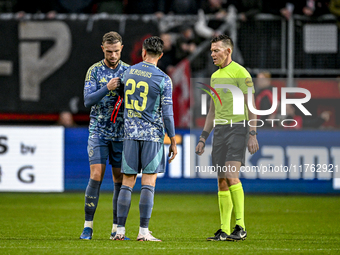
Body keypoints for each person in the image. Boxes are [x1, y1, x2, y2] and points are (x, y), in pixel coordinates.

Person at [112, 36, 177, 241]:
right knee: (148, 182)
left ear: (143, 52)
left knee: (127, 183)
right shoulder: (163, 79)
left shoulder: (127, 72)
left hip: (130, 134)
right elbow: (167, 113)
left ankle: (119, 231)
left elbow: (119, 98)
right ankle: (143, 232)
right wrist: (173, 140)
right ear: (161, 55)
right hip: (152, 136)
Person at [195, 35, 259, 241]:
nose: (212, 54)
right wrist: (204, 137)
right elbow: (213, 111)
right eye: (211, 51)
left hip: (238, 129)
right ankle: (224, 230)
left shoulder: (241, 73)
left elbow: (252, 106)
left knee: (232, 176)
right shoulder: (215, 76)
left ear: (228, 51)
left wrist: (252, 134)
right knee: (221, 180)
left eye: (216, 51)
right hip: (220, 132)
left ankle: (240, 226)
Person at [80, 31, 130, 240]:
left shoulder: (129, 71)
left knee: (119, 179)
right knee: (95, 176)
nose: (113, 55)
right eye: (109, 51)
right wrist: (107, 88)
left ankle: (116, 229)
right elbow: (88, 101)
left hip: (121, 134)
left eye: (116, 51)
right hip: (99, 132)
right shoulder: (94, 71)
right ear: (103, 48)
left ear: (121, 49)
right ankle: (88, 226)